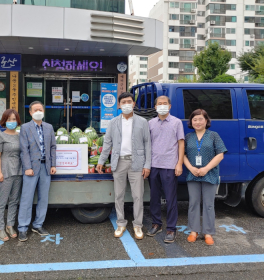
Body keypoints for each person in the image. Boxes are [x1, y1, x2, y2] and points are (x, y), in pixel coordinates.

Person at [96, 92, 151, 240]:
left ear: (134, 104)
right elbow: (107, 143)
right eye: (123, 102)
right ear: (119, 105)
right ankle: (121, 223)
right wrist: (101, 161)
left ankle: (137, 225)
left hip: (137, 162)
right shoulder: (113, 122)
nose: (127, 104)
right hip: (118, 162)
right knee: (119, 195)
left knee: (138, 195)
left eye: (129, 101)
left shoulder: (142, 122)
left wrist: (147, 165)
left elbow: (147, 144)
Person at [184, 109, 227, 246]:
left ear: (206, 121)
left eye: (200, 119)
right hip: (193, 174)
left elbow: (220, 154)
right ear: (191, 122)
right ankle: (193, 231)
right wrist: (191, 168)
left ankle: (208, 232)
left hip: (210, 173)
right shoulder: (188, 137)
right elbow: (182, 155)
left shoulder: (214, 135)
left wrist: (206, 169)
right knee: (193, 203)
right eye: (194, 119)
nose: (197, 122)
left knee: (209, 204)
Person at [17, 101, 56, 242]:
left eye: (40, 109)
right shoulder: (25, 128)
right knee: (26, 198)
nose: (39, 111)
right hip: (31, 169)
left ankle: (38, 224)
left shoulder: (49, 127)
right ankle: (22, 227)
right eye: (36, 109)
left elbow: (53, 147)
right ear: (30, 112)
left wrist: (53, 164)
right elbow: (24, 149)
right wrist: (27, 167)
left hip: (46, 168)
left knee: (43, 198)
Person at [148, 96, 184, 243]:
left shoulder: (176, 122)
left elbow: (181, 143)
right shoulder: (150, 123)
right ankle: (157, 224)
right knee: (154, 197)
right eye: (159, 104)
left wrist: (179, 163)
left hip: (170, 165)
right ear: (155, 107)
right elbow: (147, 144)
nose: (162, 106)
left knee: (171, 199)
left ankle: (171, 229)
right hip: (153, 164)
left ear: (169, 106)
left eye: (165, 103)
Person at [0, 109, 23, 241]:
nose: (12, 122)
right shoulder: (1, 135)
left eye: (14, 119)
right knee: (2, 201)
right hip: (5, 170)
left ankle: (10, 225)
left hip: (18, 170)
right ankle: (0, 228)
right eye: (9, 119)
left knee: (14, 200)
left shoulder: (20, 135)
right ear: (4, 121)